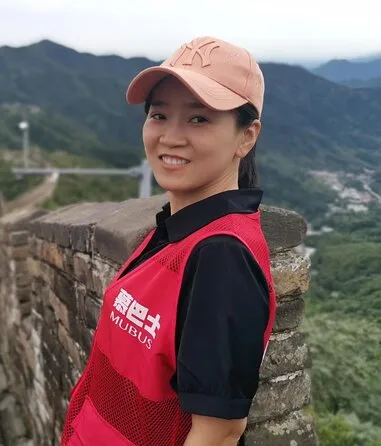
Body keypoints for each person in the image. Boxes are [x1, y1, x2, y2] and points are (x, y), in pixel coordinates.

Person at [60, 36, 276, 446]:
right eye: (159, 115)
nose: (171, 137)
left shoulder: (221, 257)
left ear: (246, 137)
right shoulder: (179, 231)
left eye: (199, 119)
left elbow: (219, 432)